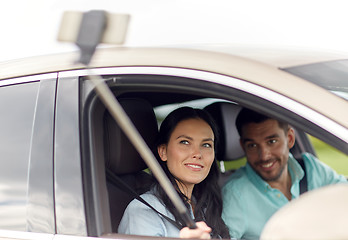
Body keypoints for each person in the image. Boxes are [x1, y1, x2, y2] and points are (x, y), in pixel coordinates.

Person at [222, 108, 347, 240]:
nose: (264, 156)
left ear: (290, 138)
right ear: (243, 146)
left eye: (272, 142)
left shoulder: (311, 167)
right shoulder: (235, 194)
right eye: (252, 145)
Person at [118, 107, 230, 239]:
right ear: (163, 152)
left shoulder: (205, 206)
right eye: (185, 142)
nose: (197, 154)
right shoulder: (142, 212)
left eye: (206, 145)